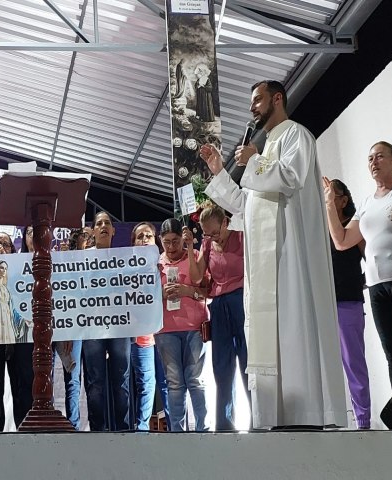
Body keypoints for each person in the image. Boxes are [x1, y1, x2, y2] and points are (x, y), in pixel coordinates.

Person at [200, 80, 346, 429]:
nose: (252, 108)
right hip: (266, 266)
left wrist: (254, 160)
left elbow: (290, 178)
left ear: (277, 99)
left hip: (290, 256)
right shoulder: (264, 148)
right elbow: (244, 206)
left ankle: (305, 412)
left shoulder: (297, 135)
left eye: (257, 100)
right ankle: (275, 415)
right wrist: (220, 171)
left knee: (294, 327)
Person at [324, 141, 392, 394]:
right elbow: (342, 241)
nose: (374, 162)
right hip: (378, 287)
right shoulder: (367, 203)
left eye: (380, 156)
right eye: (370, 158)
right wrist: (329, 206)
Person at [186, 204, 249, 431]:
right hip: (219, 305)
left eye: (216, 232)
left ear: (225, 223)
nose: (213, 237)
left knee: (247, 360)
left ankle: (258, 418)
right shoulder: (207, 244)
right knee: (221, 364)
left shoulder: (242, 237)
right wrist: (190, 250)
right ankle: (224, 422)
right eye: (207, 233)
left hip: (242, 301)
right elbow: (195, 278)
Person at [322, 179, 371, 429]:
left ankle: (362, 420)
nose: (326, 197)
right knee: (324, 365)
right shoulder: (318, 231)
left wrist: (357, 283)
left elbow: (370, 263)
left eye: (331, 194)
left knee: (353, 363)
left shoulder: (353, 229)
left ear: (342, 200)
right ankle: (332, 418)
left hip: (348, 303)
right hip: (322, 307)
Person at [156, 218, 209, 432]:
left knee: (195, 380)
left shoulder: (194, 256)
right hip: (165, 330)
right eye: (166, 242)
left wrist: (189, 292)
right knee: (174, 383)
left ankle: (203, 428)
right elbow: (142, 297)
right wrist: (160, 294)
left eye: (175, 241)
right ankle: (177, 431)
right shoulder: (155, 264)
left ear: (183, 238)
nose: (171, 247)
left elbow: (207, 291)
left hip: (194, 328)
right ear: (160, 240)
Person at [81, 212, 131, 431]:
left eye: (107, 223)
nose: (103, 226)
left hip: (120, 325)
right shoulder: (82, 259)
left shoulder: (124, 259)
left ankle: (124, 430)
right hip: (92, 327)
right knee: (95, 383)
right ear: (92, 231)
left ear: (113, 231)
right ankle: (97, 432)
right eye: (98, 223)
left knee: (121, 382)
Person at [0, 231, 33, 431]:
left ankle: (22, 429)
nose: (2, 247)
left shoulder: (19, 273)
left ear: (13, 249)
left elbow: (18, 308)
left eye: (6, 244)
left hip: (17, 337)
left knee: (19, 386)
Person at [130, 222, 169, 431]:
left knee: (167, 385)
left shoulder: (164, 266)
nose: (144, 239)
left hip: (165, 335)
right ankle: (142, 431)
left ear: (156, 242)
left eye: (148, 236)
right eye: (140, 236)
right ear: (133, 243)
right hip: (142, 337)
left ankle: (175, 430)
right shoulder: (126, 270)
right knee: (146, 385)